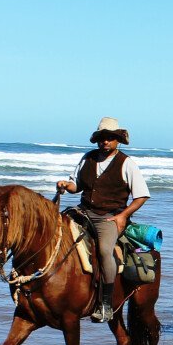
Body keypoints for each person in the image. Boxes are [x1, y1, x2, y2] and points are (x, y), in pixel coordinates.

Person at [56, 117, 149, 323]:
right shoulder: (88, 158)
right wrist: (65, 185)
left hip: (107, 218)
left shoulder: (127, 164)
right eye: (102, 138)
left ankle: (106, 305)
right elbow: (76, 185)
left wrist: (123, 216)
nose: (105, 141)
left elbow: (141, 196)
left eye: (110, 138)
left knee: (105, 251)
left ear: (118, 140)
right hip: (82, 212)